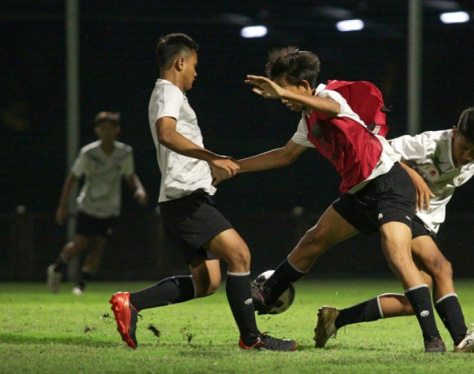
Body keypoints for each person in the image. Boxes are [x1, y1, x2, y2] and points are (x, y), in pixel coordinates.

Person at [239, 46, 446, 353]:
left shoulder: (331, 96)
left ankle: (433, 339)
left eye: (284, 89)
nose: (281, 97)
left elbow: (331, 109)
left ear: (305, 86)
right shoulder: (307, 119)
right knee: (312, 241)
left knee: (396, 251)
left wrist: (284, 94)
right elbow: (285, 155)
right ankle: (269, 293)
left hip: (388, 183)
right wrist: (234, 166)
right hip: (359, 191)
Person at [108, 33, 296, 351]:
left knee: (207, 282)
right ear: (180, 62)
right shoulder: (168, 92)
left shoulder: (168, 95)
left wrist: (211, 173)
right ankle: (252, 339)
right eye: (194, 65)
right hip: (185, 199)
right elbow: (166, 134)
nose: (196, 72)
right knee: (240, 255)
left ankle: (131, 303)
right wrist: (212, 157)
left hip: (182, 197)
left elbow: (175, 144)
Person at [313, 107, 474, 353]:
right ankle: (461, 337)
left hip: (428, 220)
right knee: (442, 267)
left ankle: (336, 318)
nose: (467, 156)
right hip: (401, 210)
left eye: (473, 151)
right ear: (454, 133)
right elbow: (380, 148)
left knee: (414, 302)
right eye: (463, 147)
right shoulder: (427, 144)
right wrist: (413, 174)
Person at [47, 111, 148, 295]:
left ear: (116, 130)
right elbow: (73, 177)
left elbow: (130, 175)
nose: (107, 132)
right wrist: (63, 205)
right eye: (103, 128)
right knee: (80, 244)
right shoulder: (88, 152)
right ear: (97, 131)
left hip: (110, 208)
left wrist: (139, 189)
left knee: (99, 246)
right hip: (88, 205)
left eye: (110, 128)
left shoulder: (124, 152)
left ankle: (80, 285)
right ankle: (57, 267)